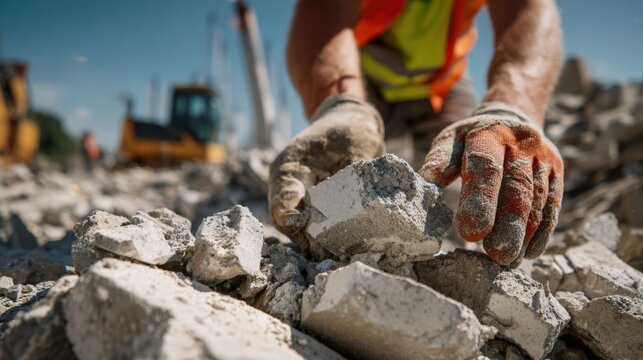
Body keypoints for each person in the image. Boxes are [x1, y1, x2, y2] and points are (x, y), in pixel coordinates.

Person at [269, 0, 563, 266]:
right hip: (361, 70)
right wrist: (341, 104)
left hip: (443, 81)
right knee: (348, 184)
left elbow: (528, 8)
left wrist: (513, 106)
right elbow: (322, 11)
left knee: (468, 195)